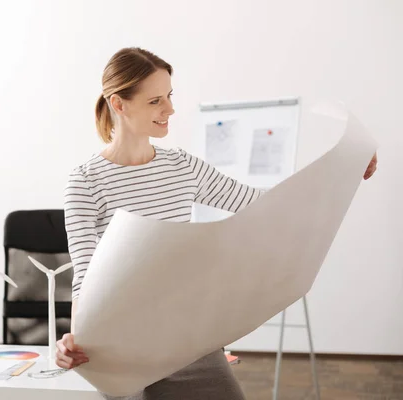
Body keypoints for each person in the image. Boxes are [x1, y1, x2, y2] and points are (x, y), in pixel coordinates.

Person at [58, 47, 378, 399]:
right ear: (119, 104)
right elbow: (85, 278)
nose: (170, 110)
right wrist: (76, 341)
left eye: (169, 96)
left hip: (188, 341)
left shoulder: (181, 166)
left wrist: (344, 170)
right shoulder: (85, 182)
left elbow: (263, 205)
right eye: (155, 102)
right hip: (123, 351)